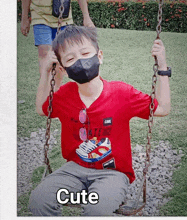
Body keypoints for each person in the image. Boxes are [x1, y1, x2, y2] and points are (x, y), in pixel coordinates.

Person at [28, 25, 171, 216]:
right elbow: (42, 109)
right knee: (39, 201)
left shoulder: (122, 94)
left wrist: (162, 67)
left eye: (85, 53)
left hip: (112, 173)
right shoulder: (64, 96)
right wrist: (46, 73)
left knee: (96, 209)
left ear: (99, 56)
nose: (80, 61)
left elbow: (162, 108)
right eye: (71, 59)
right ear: (64, 69)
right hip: (75, 169)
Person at [20, 0, 95, 78]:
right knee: (44, 51)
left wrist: (86, 17)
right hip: (40, 15)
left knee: (60, 55)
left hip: (63, 16)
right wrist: (24, 18)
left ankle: (56, 88)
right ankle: (44, 84)